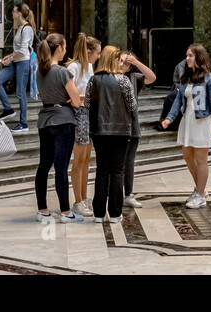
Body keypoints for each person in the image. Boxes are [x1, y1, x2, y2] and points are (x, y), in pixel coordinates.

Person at [160, 44, 211, 209]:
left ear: (198, 57)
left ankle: (200, 194)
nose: (187, 58)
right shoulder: (186, 77)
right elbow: (178, 101)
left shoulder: (209, 79)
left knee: (201, 159)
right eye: (186, 55)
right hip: (187, 120)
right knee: (188, 156)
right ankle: (200, 189)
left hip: (202, 121)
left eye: (190, 55)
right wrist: (169, 118)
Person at [86, 46, 138, 222]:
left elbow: (86, 105)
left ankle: (98, 213)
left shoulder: (93, 80)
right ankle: (115, 213)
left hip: (99, 131)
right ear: (113, 59)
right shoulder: (123, 80)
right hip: (121, 130)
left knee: (102, 170)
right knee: (117, 171)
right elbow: (132, 106)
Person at [34, 33, 80, 223]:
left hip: (44, 120)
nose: (66, 50)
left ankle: (42, 209)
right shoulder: (62, 72)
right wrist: (72, 99)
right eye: (65, 46)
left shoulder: (40, 71)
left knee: (44, 165)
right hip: (63, 120)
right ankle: (66, 212)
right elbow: (76, 101)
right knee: (61, 167)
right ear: (59, 48)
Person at [67, 33, 101, 217]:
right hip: (78, 114)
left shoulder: (89, 66)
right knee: (78, 160)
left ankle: (85, 197)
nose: (98, 56)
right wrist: (87, 97)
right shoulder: (73, 67)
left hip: (89, 113)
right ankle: (77, 200)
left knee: (87, 159)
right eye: (97, 53)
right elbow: (68, 95)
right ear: (89, 52)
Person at [118, 50, 156, 207]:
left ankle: (128, 194)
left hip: (132, 124)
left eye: (127, 63)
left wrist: (136, 62)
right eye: (121, 60)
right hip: (114, 125)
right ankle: (114, 193)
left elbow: (152, 78)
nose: (123, 64)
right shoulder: (108, 78)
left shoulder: (134, 78)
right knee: (116, 162)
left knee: (129, 161)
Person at [0, 3, 37, 133]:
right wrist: (9, 57)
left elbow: (24, 51)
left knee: (20, 93)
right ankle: (8, 109)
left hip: (23, 63)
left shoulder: (27, 29)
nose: (12, 14)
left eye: (13, 11)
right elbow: (18, 50)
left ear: (19, 13)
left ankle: (23, 123)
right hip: (16, 62)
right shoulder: (20, 28)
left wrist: (11, 58)